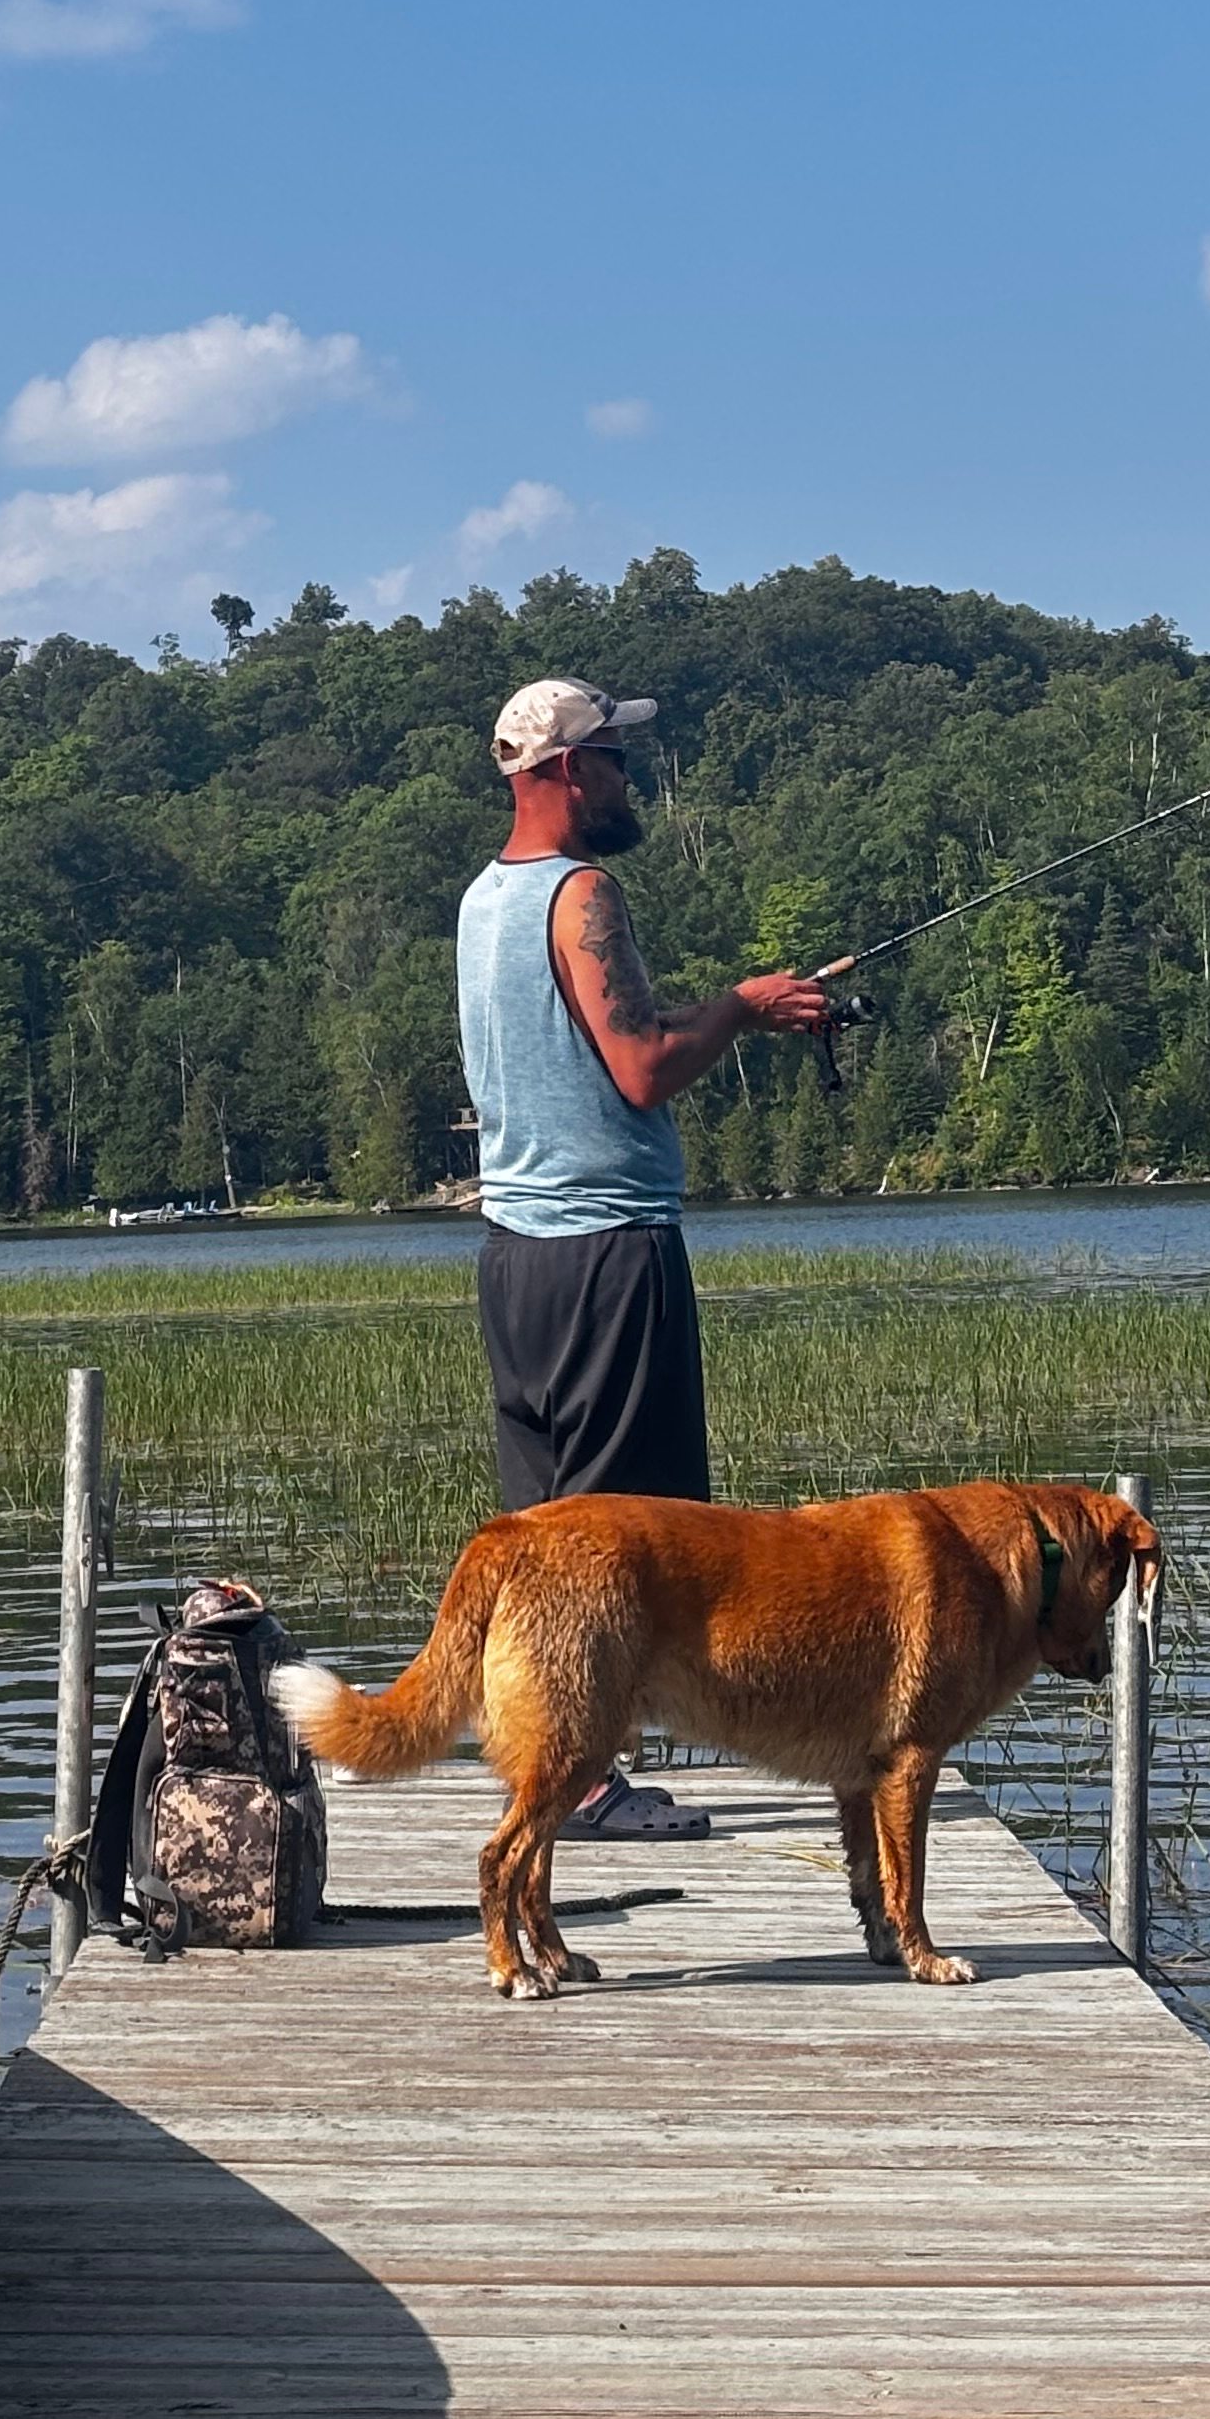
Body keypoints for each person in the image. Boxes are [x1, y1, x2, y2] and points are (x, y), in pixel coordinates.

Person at [457, 675, 829, 1836]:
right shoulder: (584, 894)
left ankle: (556, 1766)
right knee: (626, 1540)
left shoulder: (481, 898)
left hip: (515, 1258)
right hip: (607, 1255)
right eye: (614, 759)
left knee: (550, 1532)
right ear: (568, 772)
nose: (629, 779)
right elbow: (641, 1068)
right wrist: (746, 1007)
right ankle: (584, 1779)